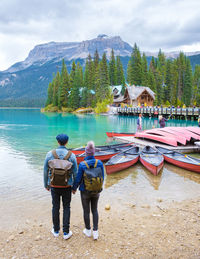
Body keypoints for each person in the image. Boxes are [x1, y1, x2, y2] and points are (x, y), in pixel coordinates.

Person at [43, 134, 78, 240]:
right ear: (67, 142)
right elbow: (75, 173)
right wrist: (74, 187)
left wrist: (46, 184)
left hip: (54, 185)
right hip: (67, 186)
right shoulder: (71, 155)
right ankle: (66, 232)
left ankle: (56, 230)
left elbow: (45, 171)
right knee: (67, 207)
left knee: (55, 207)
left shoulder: (50, 154)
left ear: (57, 141)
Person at [72, 141, 104, 240]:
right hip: (96, 191)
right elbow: (102, 177)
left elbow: (78, 179)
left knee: (86, 211)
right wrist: (98, 187)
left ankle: (88, 230)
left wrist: (74, 189)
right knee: (94, 210)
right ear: (94, 152)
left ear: (86, 152)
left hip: (85, 192)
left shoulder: (82, 164)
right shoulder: (99, 163)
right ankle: (96, 232)